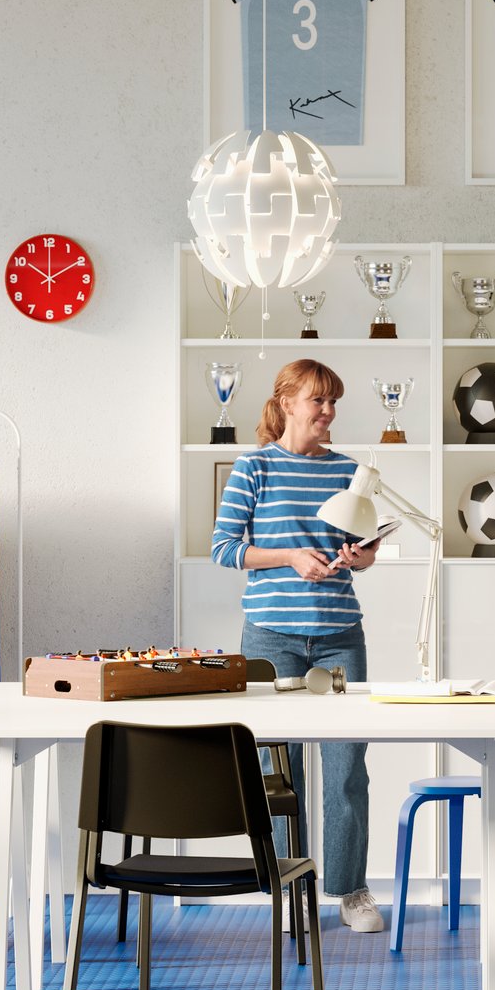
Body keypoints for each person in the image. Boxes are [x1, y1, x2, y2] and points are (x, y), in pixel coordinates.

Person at [211, 358, 385, 932]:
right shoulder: (254, 467)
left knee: (346, 769)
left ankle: (351, 890)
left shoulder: (346, 471)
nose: (328, 412)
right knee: (277, 773)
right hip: (271, 637)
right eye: (319, 401)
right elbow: (224, 548)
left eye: (334, 402)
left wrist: (361, 555)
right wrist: (288, 556)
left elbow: (363, 547)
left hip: (338, 636)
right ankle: (290, 886)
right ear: (287, 403)